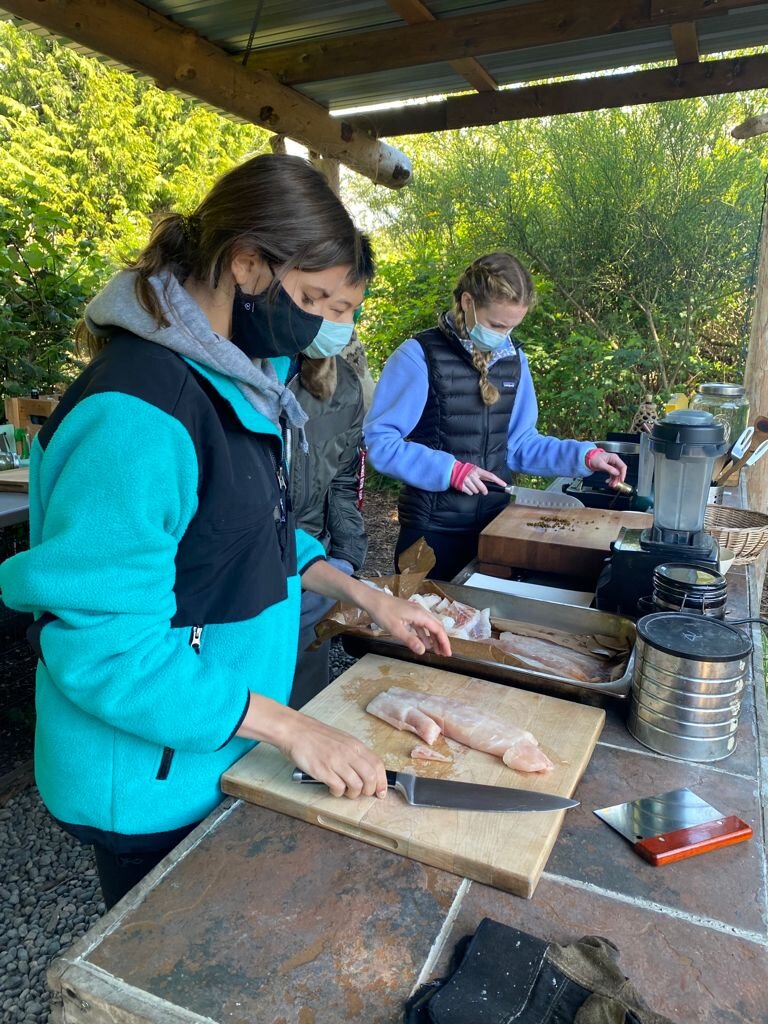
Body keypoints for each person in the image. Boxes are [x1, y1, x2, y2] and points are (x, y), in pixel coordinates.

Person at [0, 154, 450, 909]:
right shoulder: (138, 415)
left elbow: (253, 539)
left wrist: (369, 598)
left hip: (214, 744)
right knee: (157, 949)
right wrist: (291, 729)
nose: (324, 325)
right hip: (148, 773)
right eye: (314, 299)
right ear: (247, 265)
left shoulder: (236, 384)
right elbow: (105, 647)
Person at [364, 252, 627, 581]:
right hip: (431, 532)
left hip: (495, 529)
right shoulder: (418, 356)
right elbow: (380, 442)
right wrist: (450, 471)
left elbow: (519, 446)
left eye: (512, 327)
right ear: (468, 302)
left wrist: (585, 457)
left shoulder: (514, 360)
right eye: (496, 325)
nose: (503, 335)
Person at [281, 326, 371, 709]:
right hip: (248, 584)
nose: (343, 323)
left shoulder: (345, 387)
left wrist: (345, 558)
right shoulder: (242, 374)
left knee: (305, 706)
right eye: (333, 309)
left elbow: (344, 478)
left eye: (351, 311)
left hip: (313, 577)